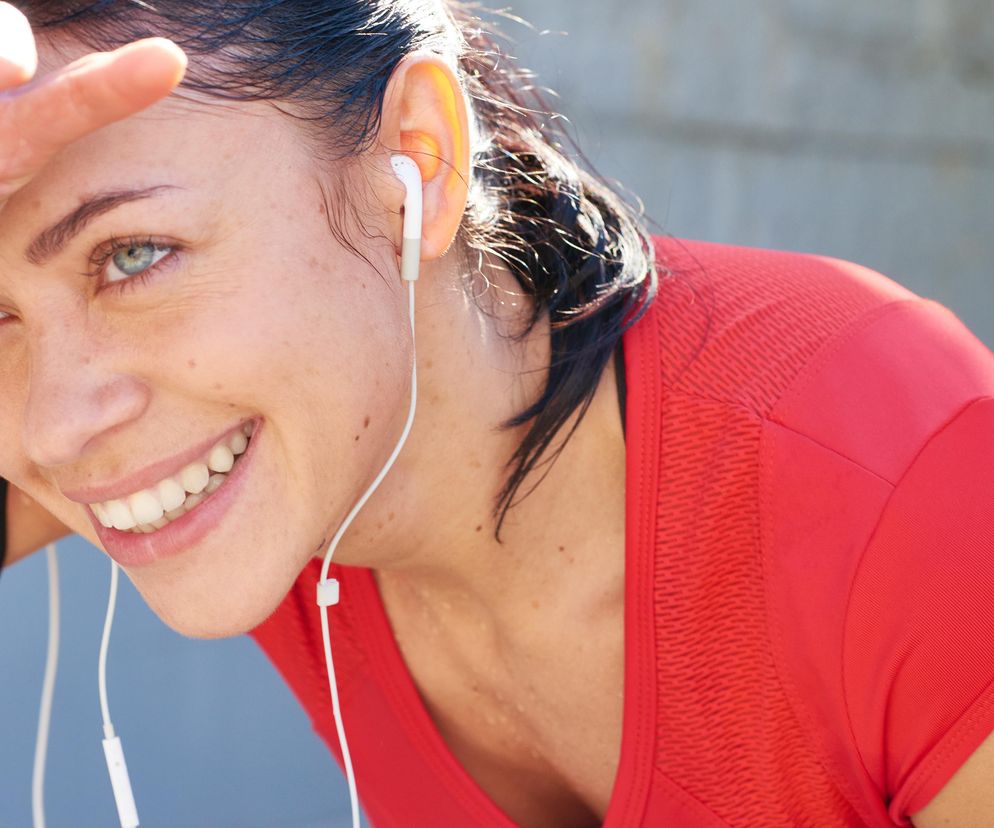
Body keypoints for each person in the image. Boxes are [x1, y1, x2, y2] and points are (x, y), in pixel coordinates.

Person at [1, 2, 992, 826]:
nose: (51, 431)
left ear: (415, 161)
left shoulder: (899, 478)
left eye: (135, 255)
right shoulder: (260, 454)